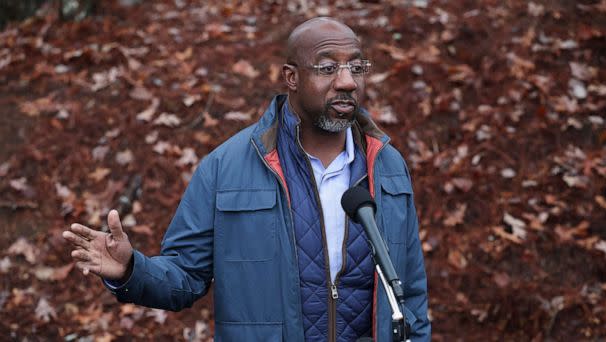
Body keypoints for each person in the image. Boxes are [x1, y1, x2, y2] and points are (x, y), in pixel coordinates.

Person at [63, 17, 430, 342]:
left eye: (356, 66)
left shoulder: (387, 166)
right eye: (327, 68)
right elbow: (185, 276)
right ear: (291, 77)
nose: (348, 81)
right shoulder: (227, 168)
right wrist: (131, 269)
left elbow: (410, 294)